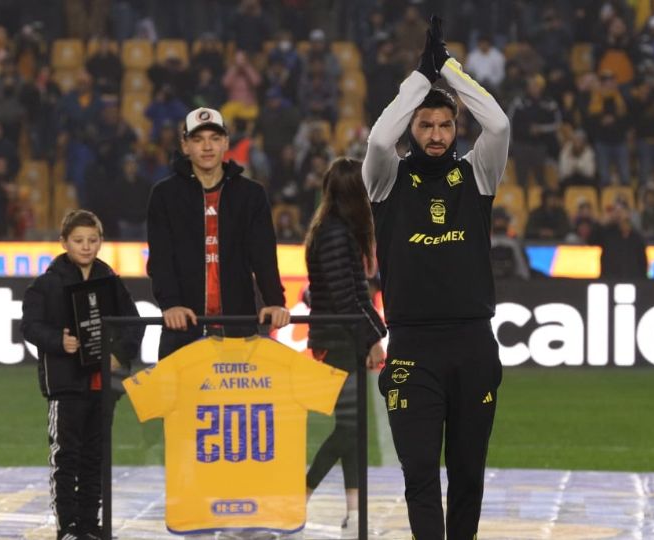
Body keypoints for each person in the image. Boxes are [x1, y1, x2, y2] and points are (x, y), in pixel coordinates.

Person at [362, 15, 509, 539]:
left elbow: (500, 126)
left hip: (472, 344)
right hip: (413, 347)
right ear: (413, 128)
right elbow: (379, 141)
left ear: (455, 128)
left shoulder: (477, 172)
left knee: (467, 475)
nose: (435, 134)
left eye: (444, 125)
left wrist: (449, 70)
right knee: (419, 474)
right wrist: (419, 82)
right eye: (424, 125)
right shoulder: (386, 178)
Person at [21, 210, 141, 540]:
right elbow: (29, 326)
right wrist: (58, 341)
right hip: (66, 384)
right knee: (66, 455)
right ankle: (68, 526)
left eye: (92, 240)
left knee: (95, 457)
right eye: (78, 241)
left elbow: (132, 322)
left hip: (103, 385)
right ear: (64, 243)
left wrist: (121, 354)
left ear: (101, 241)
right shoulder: (47, 283)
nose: (86, 247)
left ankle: (90, 523)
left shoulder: (111, 282)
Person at [146, 107, 290, 360]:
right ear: (185, 145)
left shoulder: (251, 194)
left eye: (214, 138)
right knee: (180, 401)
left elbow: (264, 255)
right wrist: (171, 304)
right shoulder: (164, 195)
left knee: (240, 400)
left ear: (225, 143)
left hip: (238, 328)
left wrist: (275, 301)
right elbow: (160, 259)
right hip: (182, 330)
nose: (207, 146)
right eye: (198, 139)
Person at [302, 157, 387, 538]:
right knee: (350, 429)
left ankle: (354, 515)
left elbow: (342, 293)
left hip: (339, 337)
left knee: (351, 430)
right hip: (339, 340)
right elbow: (346, 298)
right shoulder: (337, 235)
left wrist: (373, 333)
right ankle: (299, 493)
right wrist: (373, 338)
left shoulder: (332, 230)